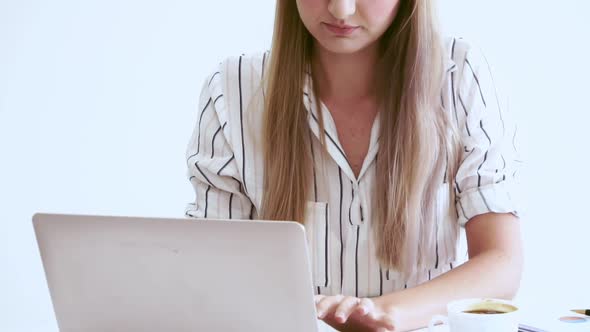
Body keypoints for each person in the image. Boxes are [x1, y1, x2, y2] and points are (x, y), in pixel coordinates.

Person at [185, 0, 522, 331]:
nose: (341, 9)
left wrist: (384, 313)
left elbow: (501, 262)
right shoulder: (231, 90)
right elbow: (213, 276)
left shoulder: (459, 75)